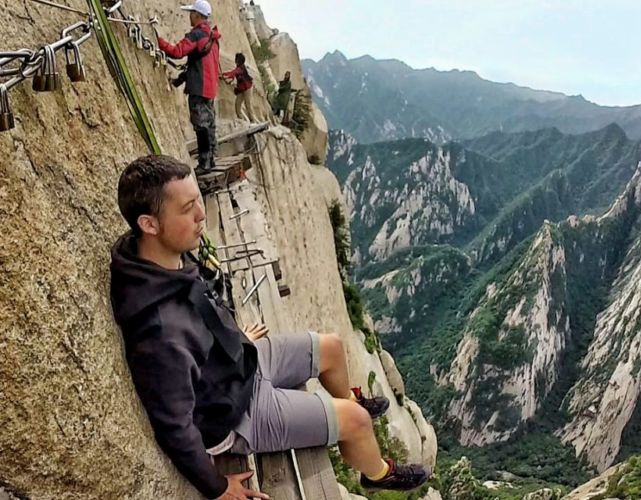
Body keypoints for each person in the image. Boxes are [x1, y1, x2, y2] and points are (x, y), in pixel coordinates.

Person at [110, 155, 431, 499]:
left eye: (198, 203)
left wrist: (232, 339)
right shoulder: (159, 330)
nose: (201, 216)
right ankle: (377, 472)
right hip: (237, 413)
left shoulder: (157, 258)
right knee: (357, 422)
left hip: (238, 361)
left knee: (332, 346)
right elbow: (174, 426)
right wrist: (217, 488)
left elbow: (200, 309)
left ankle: (342, 408)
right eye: (188, 208)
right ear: (149, 224)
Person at [157, 0, 221, 174]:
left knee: (200, 125)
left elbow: (177, 52)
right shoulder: (212, 38)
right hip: (210, 87)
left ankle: (204, 163)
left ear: (197, 15)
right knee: (209, 124)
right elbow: (203, 63)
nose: (189, 17)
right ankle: (212, 159)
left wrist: (159, 41)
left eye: (191, 13)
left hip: (199, 87)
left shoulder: (196, 35)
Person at [222, 53, 255, 122]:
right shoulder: (238, 68)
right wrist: (224, 75)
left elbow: (233, 73)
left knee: (248, 104)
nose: (235, 60)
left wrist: (224, 75)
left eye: (236, 59)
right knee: (237, 104)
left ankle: (253, 121)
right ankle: (241, 119)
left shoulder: (241, 68)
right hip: (241, 89)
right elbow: (233, 74)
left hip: (248, 88)